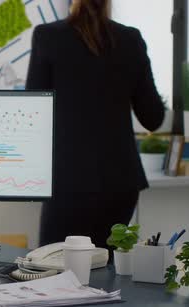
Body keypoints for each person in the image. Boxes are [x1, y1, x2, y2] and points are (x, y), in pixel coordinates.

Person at [25, 0, 165, 248]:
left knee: (52, 270)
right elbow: (153, 118)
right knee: (107, 272)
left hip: (66, 182)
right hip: (119, 183)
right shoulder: (131, 39)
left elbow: (32, 114)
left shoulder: (48, 36)